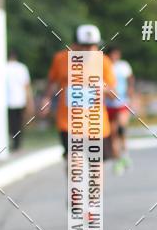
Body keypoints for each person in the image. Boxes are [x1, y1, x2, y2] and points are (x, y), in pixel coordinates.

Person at [42, 24, 116, 169]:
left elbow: (114, 95)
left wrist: (103, 88)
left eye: (93, 46)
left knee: (95, 167)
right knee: (73, 163)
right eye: (85, 47)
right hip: (68, 123)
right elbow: (51, 82)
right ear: (74, 45)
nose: (90, 50)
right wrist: (46, 99)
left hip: (96, 124)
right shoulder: (60, 59)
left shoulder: (104, 61)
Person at [105, 46, 135, 174]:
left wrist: (131, 91)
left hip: (122, 101)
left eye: (117, 54)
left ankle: (125, 154)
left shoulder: (123, 66)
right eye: (113, 54)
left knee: (121, 129)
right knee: (113, 133)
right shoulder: (104, 65)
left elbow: (130, 79)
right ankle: (117, 160)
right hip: (107, 104)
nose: (115, 57)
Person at [5, 50, 33, 151]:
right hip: (20, 100)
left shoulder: (2, 67)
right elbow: (26, 85)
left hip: (6, 101)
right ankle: (17, 142)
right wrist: (30, 101)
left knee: (10, 123)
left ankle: (12, 141)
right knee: (18, 123)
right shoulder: (22, 68)